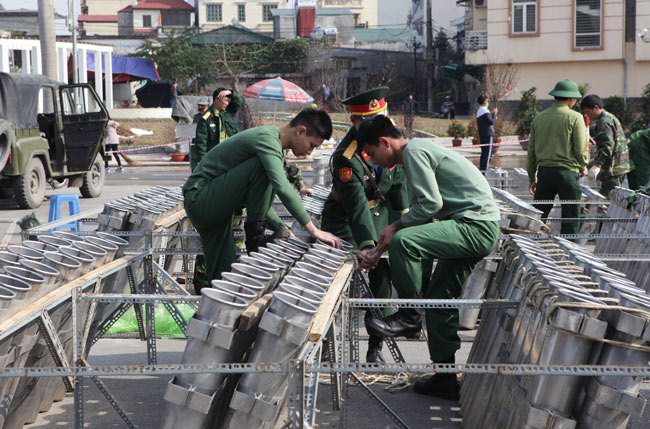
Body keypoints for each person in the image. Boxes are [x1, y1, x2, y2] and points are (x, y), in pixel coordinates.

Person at [356, 115, 500, 400]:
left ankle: (409, 314)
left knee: (405, 241)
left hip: (475, 226)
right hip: (471, 225)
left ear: (385, 142)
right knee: (439, 297)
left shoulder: (414, 152)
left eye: (374, 154)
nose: (376, 163)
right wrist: (378, 251)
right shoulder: (417, 152)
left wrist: (396, 227)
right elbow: (426, 209)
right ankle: (445, 377)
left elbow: (430, 205)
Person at [183, 108, 341, 282]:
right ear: (300, 131)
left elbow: (256, 201)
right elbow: (282, 187)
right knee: (263, 166)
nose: (310, 152)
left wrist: (282, 229)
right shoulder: (268, 140)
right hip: (200, 198)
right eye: (312, 145)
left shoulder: (275, 148)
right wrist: (313, 230)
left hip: (215, 209)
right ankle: (256, 238)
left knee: (223, 278)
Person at [320, 87, 410, 363]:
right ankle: (326, 347)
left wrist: (405, 224)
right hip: (347, 222)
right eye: (367, 121)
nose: (375, 125)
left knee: (381, 285)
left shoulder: (390, 139)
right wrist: (369, 247)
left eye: (379, 118)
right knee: (338, 285)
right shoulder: (346, 157)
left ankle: (375, 348)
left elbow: (399, 187)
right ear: (354, 123)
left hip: (381, 215)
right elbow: (357, 206)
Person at [526, 79, 588, 238]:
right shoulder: (576, 117)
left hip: (545, 173)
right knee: (570, 216)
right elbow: (580, 148)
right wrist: (583, 165)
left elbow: (531, 151)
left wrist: (532, 177)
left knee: (539, 214)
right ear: (571, 99)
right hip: (567, 173)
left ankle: (533, 246)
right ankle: (569, 252)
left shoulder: (539, 118)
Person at [580, 94, 631, 198]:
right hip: (619, 165)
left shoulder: (603, 122)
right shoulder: (609, 117)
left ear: (596, 108)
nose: (588, 116)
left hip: (613, 168)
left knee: (608, 199)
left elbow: (607, 146)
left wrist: (598, 165)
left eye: (588, 112)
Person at [190, 88, 243, 171]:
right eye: (225, 100)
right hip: (215, 158)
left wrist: (230, 92)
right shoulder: (206, 118)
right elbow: (201, 143)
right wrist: (204, 163)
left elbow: (239, 101)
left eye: (229, 100)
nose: (227, 103)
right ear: (217, 99)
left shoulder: (228, 112)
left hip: (231, 155)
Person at [476, 95, 498, 173]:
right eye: (487, 101)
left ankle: (482, 171)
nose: (488, 102)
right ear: (484, 101)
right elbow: (491, 122)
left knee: (484, 154)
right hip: (488, 135)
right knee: (488, 154)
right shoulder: (485, 111)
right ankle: (485, 172)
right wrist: (494, 114)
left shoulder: (479, 111)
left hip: (482, 135)